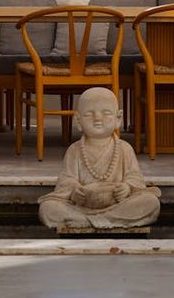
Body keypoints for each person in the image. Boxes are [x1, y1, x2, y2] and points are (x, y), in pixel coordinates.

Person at [38, 87, 161, 229]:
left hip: (117, 205)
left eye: (106, 113)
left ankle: (96, 220)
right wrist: (75, 191)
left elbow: (135, 178)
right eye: (89, 114)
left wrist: (127, 187)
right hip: (81, 207)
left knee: (150, 202)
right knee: (48, 208)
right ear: (78, 120)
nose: (98, 118)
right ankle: (103, 221)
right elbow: (66, 180)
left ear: (118, 119)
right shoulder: (74, 150)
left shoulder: (124, 148)